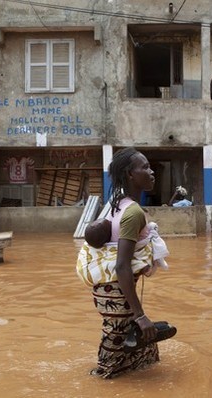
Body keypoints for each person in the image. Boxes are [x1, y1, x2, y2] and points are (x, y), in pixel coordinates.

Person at [75, 147, 174, 379]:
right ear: (130, 174)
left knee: (146, 347)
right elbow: (121, 265)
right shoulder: (132, 213)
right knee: (109, 368)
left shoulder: (114, 204)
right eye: (145, 167)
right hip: (118, 296)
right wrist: (139, 315)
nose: (152, 172)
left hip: (110, 292)